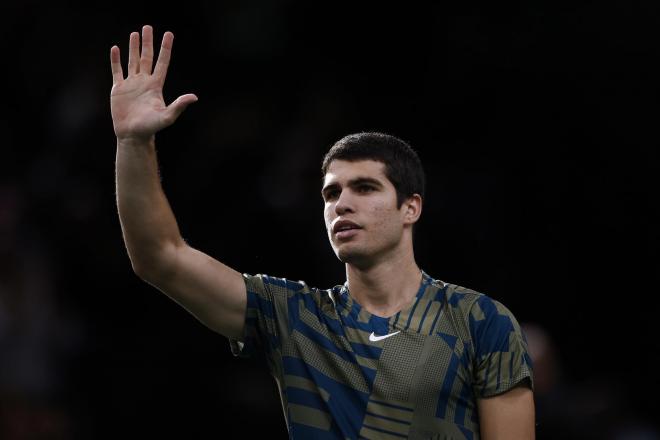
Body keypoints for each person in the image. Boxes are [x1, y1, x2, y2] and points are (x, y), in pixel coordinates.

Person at [110, 25, 535, 439]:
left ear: (411, 207)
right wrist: (133, 143)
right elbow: (159, 256)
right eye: (331, 194)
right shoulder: (295, 318)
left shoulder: (480, 321)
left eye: (365, 188)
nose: (342, 204)